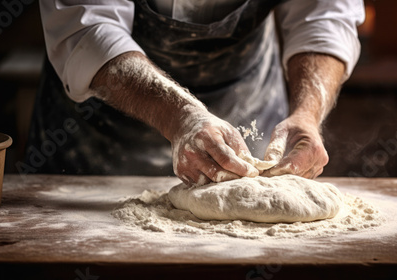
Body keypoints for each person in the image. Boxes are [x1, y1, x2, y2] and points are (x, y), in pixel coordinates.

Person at [23, 0, 363, 186]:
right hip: (97, 140)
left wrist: (307, 112)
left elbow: (324, 13)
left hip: (249, 114)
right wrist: (181, 115)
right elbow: (88, 28)